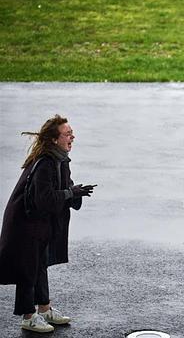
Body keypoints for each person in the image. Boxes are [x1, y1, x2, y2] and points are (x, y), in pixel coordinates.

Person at [0, 115, 95, 333]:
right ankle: (28, 316)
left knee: (39, 265)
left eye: (72, 132)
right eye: (67, 133)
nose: (73, 136)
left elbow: (64, 190)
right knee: (28, 268)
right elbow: (42, 200)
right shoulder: (45, 163)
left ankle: (44, 309)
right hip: (25, 224)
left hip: (39, 224)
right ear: (54, 139)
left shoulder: (60, 160)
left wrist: (75, 193)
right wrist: (70, 192)